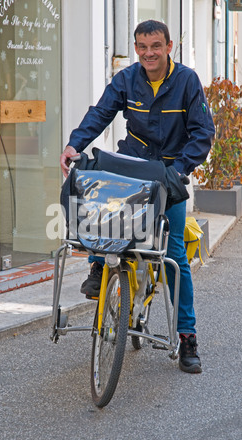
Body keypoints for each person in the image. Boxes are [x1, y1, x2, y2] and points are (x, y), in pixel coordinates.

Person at [60, 20, 215, 374]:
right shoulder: (127, 79)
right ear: (136, 48)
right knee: (101, 214)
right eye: (142, 47)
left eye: (156, 46)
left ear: (169, 46)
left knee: (174, 255)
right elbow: (101, 112)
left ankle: (187, 336)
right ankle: (99, 268)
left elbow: (203, 133)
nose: (149, 53)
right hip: (134, 164)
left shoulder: (187, 81)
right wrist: (74, 144)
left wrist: (180, 170)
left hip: (170, 173)